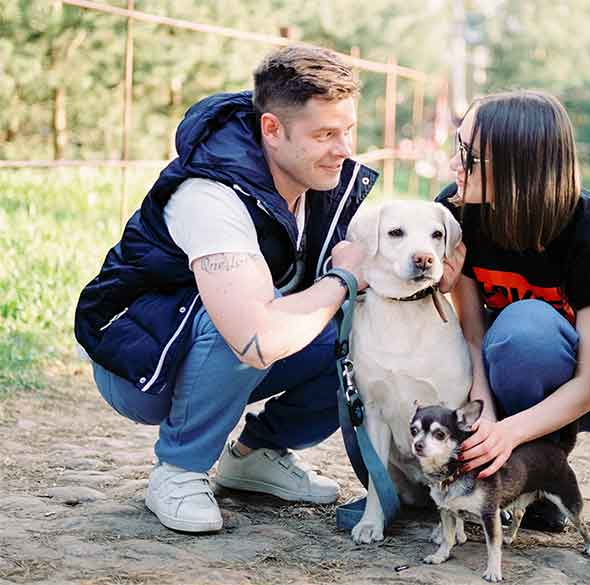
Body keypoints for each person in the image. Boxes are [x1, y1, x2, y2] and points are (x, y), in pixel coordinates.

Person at [74, 46, 377, 533]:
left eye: (347, 131)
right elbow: (254, 337)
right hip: (142, 365)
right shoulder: (211, 195)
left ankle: (255, 456)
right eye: (325, 134)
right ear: (272, 131)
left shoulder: (321, 178)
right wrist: (343, 280)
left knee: (363, 322)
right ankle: (179, 471)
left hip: (224, 346)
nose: (343, 149)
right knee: (247, 314)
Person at [436, 90, 590, 584]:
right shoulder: (457, 210)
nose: (454, 163)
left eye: (468, 155)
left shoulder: (586, 222)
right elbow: (472, 338)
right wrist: (484, 419)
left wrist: (507, 433)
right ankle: (535, 484)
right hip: (518, 373)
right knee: (525, 329)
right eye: (456, 146)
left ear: (517, 165)